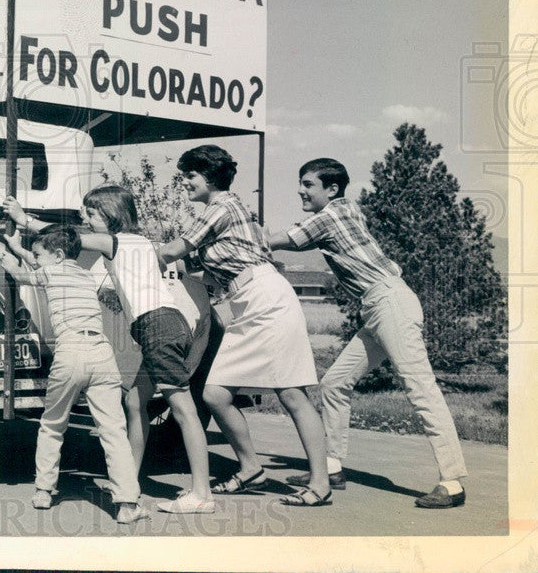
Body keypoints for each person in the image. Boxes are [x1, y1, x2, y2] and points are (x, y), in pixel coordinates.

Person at [267, 158, 468, 508]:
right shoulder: (344, 210)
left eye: (308, 184)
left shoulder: (332, 215)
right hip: (378, 306)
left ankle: (452, 483)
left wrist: (248, 240)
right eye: (300, 182)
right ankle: (330, 467)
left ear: (332, 189)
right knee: (334, 383)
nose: (301, 189)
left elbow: (288, 240)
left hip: (389, 303)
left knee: (421, 389)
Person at [5, 188, 216, 514]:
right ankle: (128, 484)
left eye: (91, 213)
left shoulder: (115, 241)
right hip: (159, 325)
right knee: (133, 403)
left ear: (112, 215)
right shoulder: (141, 243)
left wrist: (24, 220)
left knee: (183, 408)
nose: (85, 220)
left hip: (157, 326)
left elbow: (67, 239)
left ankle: (201, 492)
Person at [158, 145, 332, 507]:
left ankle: (320, 483)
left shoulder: (222, 205)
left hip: (266, 299)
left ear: (208, 177)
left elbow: (172, 251)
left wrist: (127, 249)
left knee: (292, 394)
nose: (185, 183)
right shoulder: (224, 211)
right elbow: (203, 271)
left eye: (190, 176)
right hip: (246, 302)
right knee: (215, 394)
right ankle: (251, 468)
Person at [0, 224, 149, 525]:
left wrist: (12, 262)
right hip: (101, 351)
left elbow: (25, 274)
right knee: (113, 430)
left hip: (70, 351)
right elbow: (43, 263)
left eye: (39, 254)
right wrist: (22, 249)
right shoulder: (83, 274)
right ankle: (127, 504)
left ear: (56, 255)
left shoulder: (49, 271)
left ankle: (43, 490)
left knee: (53, 423)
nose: (36, 259)